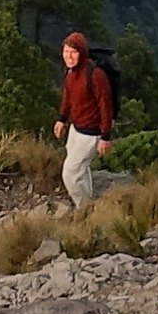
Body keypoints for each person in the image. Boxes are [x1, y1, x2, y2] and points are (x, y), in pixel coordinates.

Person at [54, 26, 120, 204]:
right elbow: (68, 96)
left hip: (91, 133)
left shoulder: (96, 75)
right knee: (80, 168)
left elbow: (106, 106)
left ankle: (83, 208)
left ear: (82, 53)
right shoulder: (71, 72)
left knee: (70, 172)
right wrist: (62, 119)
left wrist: (105, 136)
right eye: (66, 52)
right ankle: (88, 201)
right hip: (76, 128)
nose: (68, 56)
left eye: (73, 52)